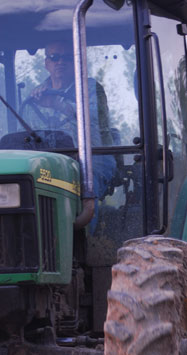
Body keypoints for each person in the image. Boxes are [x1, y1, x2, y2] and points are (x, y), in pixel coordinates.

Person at [25, 40, 116, 227]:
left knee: (85, 186)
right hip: (48, 162)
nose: (60, 62)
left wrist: (57, 104)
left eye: (67, 58)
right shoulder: (34, 96)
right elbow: (24, 131)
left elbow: (93, 119)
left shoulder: (91, 88)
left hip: (92, 159)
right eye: (54, 57)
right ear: (46, 63)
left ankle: (88, 244)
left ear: (76, 62)